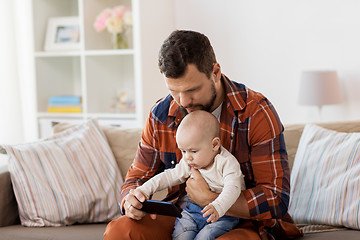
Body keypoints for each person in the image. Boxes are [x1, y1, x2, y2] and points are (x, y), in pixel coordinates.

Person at [104, 30, 303, 239]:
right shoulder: (161, 115)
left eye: (192, 90)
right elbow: (136, 178)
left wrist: (210, 198)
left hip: (241, 223)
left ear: (215, 72)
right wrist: (131, 200)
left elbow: (275, 199)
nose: (183, 101)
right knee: (119, 231)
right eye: (174, 91)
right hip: (181, 217)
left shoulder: (256, 112)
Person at [137, 110, 245, 239]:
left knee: (204, 237)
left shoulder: (226, 163)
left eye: (193, 151)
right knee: (181, 236)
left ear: (215, 145)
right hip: (192, 213)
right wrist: (144, 189)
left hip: (223, 215)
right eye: (183, 151)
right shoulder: (190, 162)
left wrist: (218, 206)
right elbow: (169, 176)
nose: (187, 158)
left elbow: (233, 188)